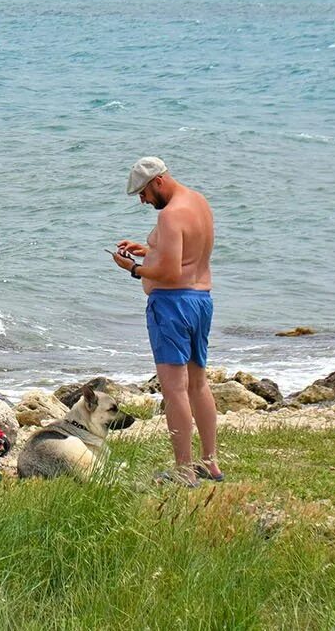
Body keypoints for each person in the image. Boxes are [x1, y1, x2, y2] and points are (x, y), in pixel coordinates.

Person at [109, 157, 221, 486]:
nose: (143, 201)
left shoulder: (170, 215)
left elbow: (171, 272)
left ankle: (184, 471)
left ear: (158, 181)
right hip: (201, 301)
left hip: (172, 305)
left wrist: (131, 268)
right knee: (198, 384)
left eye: (143, 193)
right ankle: (210, 462)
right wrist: (148, 250)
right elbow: (186, 255)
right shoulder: (197, 201)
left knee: (174, 390)